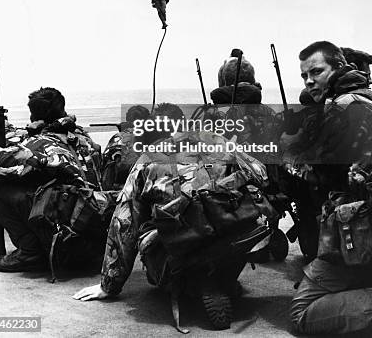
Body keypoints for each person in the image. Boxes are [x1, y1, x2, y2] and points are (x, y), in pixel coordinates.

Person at [73, 107, 271, 322]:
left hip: (183, 240)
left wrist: (109, 284)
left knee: (148, 233)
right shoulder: (219, 141)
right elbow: (260, 173)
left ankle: (189, 284)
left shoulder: (148, 159)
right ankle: (222, 278)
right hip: (231, 229)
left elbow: (124, 222)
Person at [290, 40, 372, 334]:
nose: (309, 81)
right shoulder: (365, 97)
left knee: (302, 314)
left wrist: (290, 160)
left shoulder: (341, 107)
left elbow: (323, 176)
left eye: (316, 71)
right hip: (359, 219)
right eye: (304, 75)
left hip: (357, 227)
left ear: (337, 67)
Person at [0, 87, 104, 273]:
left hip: (67, 244)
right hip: (95, 240)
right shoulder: (85, 139)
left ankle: (30, 251)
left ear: (37, 117)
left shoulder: (39, 143)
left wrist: (6, 170)